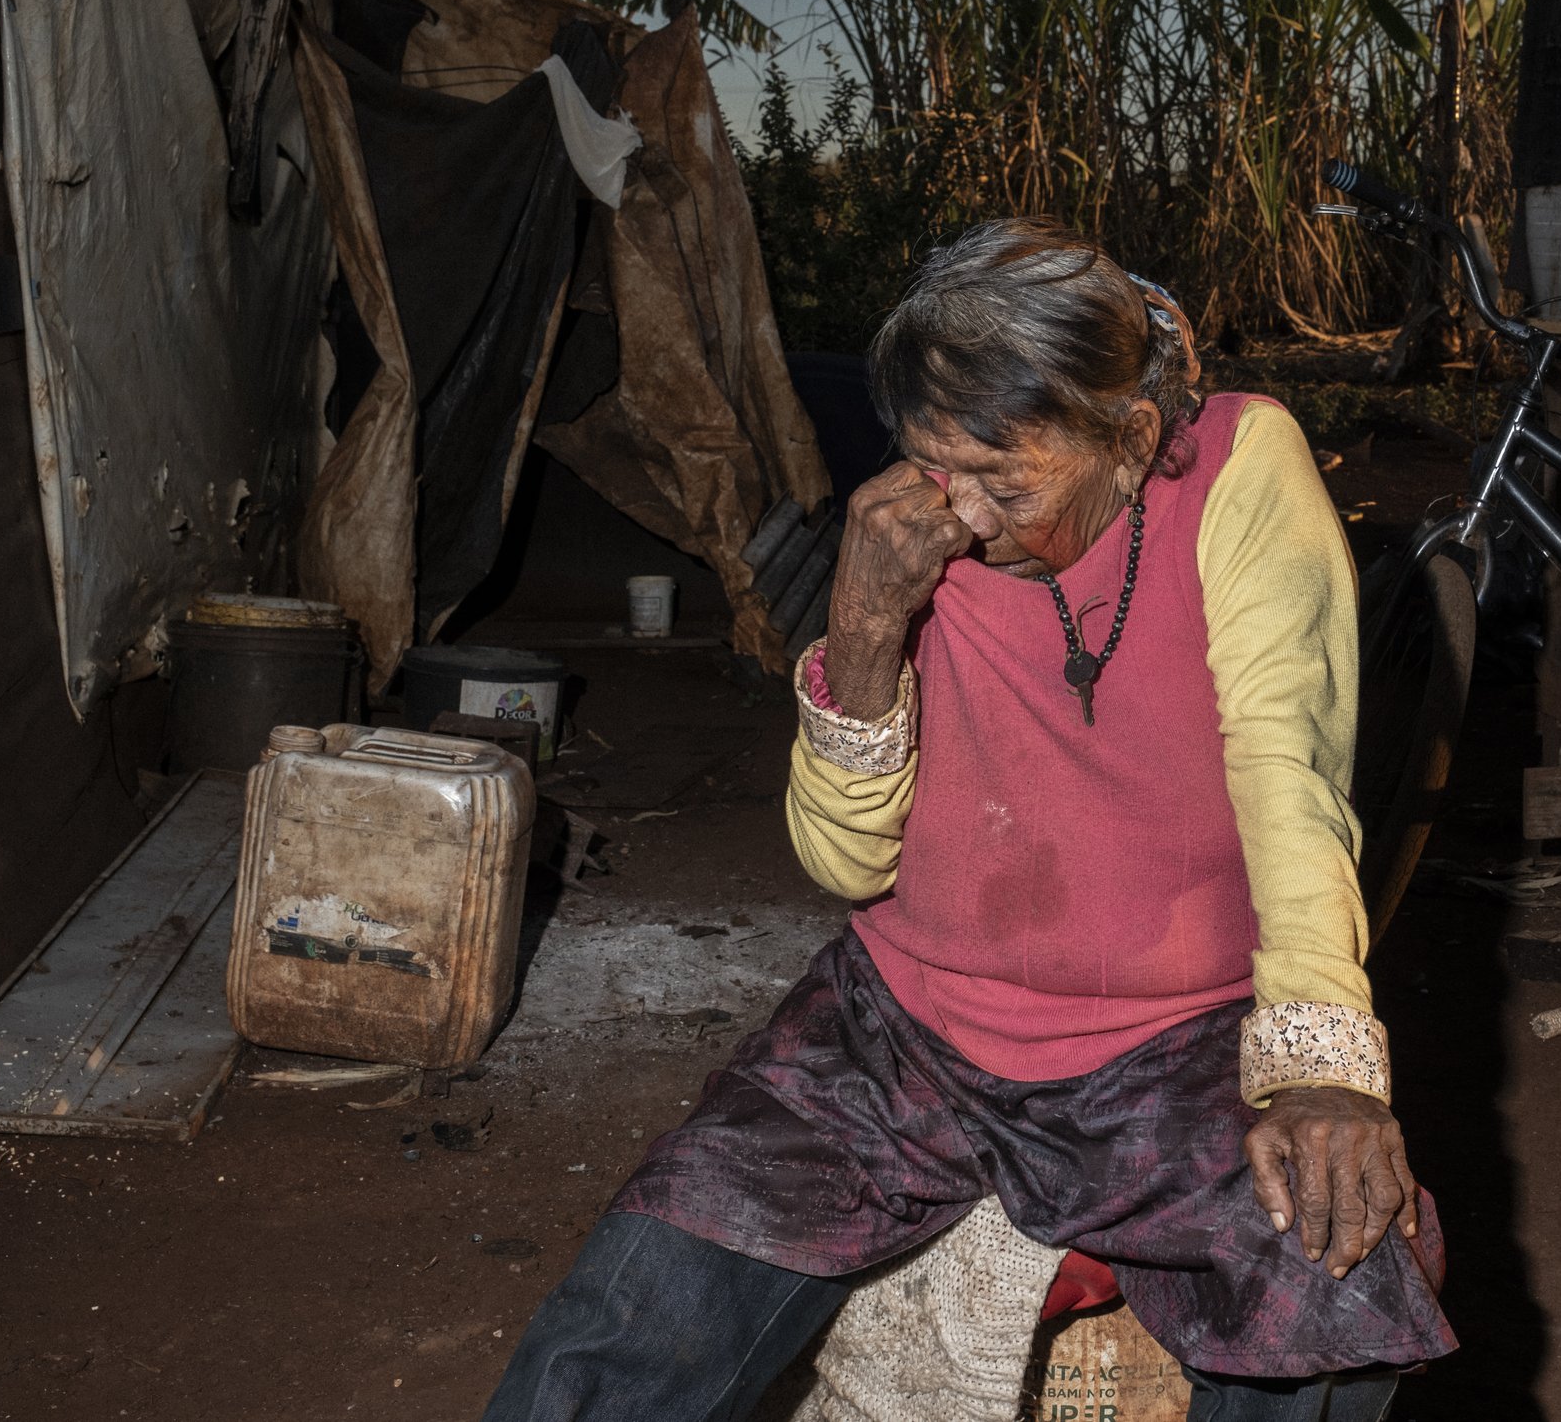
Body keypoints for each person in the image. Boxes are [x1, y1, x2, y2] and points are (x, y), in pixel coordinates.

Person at [485, 219, 1454, 1421]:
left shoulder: (1239, 469)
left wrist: (1320, 1066)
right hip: (902, 1025)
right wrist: (864, 624)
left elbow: (1288, 765)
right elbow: (843, 858)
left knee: (1338, 1284)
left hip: (1171, 1038)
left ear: (1132, 439)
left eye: (1010, 481)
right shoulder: (909, 532)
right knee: (615, 1333)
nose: (968, 518)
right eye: (938, 467)